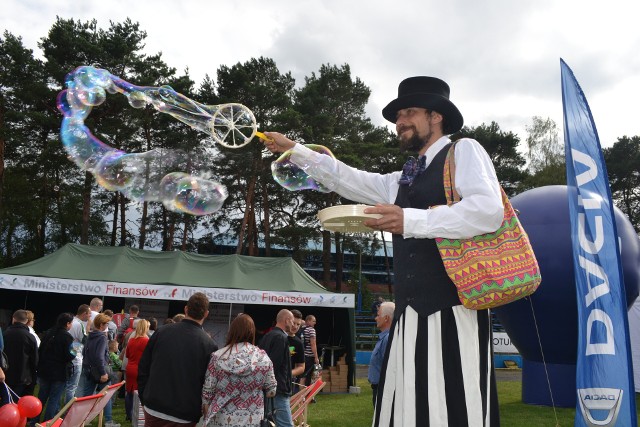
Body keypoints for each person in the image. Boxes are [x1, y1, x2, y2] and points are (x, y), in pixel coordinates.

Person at [263, 76, 503, 426]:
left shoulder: (463, 150)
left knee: (451, 408)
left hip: (452, 310)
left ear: (436, 117)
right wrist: (293, 149)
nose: (399, 121)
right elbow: (347, 178)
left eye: (409, 112)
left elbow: (488, 211)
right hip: (409, 314)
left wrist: (409, 220)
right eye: (397, 115)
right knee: (406, 411)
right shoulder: (404, 177)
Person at [138, 292, 217, 427]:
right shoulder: (209, 345)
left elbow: (143, 367)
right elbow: (208, 384)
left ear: (186, 309)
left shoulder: (162, 332)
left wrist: (145, 397)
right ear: (206, 314)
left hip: (158, 407)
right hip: (181, 412)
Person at [201, 314, 277, 427]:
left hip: (222, 418)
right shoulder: (263, 357)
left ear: (232, 331)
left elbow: (208, 392)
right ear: (252, 332)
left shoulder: (217, 357)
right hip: (253, 419)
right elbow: (271, 391)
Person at [80, 313, 120, 427]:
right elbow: (99, 356)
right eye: (106, 323)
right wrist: (103, 372)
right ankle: (108, 421)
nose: (107, 325)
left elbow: (85, 352)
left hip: (88, 369)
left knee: (87, 397)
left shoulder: (90, 335)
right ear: (102, 325)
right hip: (99, 371)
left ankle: (83, 420)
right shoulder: (102, 337)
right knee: (106, 396)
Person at [258, 309, 295, 427]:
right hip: (278, 391)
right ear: (287, 320)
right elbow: (273, 365)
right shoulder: (280, 338)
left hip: (269, 390)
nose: (293, 325)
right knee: (286, 425)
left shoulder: (267, 336)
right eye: (292, 322)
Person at [37, 313, 76, 422]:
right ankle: (47, 422)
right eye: (71, 323)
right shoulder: (67, 337)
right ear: (68, 323)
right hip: (59, 372)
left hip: (45, 370)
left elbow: (40, 351)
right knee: (54, 399)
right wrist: (75, 351)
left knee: (42, 397)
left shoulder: (48, 333)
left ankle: (33, 420)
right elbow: (69, 355)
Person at [3, 310, 38, 397]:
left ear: (13, 319)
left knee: (5, 399)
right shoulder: (30, 337)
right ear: (27, 321)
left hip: (6, 373)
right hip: (23, 376)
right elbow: (34, 360)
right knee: (17, 400)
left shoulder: (4, 334)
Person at [367, 302, 394, 406]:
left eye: (378, 315)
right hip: (379, 389)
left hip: (383, 390)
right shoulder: (385, 338)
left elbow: (389, 367)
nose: (376, 318)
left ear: (386, 318)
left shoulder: (388, 339)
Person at [125, 319, 150, 420]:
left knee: (129, 392)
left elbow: (127, 355)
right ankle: (136, 415)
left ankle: (128, 415)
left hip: (130, 368)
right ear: (145, 328)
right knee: (139, 393)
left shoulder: (131, 340)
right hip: (140, 369)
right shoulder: (146, 341)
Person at [66, 304, 90, 403]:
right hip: (75, 359)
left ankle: (58, 410)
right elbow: (84, 341)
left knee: (65, 386)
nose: (89, 317)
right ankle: (68, 410)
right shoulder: (79, 324)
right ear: (84, 313)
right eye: (89, 315)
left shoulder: (71, 321)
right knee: (72, 387)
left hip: (67, 356)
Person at [288, 310, 306, 393]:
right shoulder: (277, 336)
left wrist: (289, 373)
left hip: (287, 383)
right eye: (293, 323)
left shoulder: (298, 343)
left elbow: (301, 367)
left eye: (298, 324)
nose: (295, 326)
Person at [302, 315, 319, 387]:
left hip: (302, 355)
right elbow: (313, 344)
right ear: (308, 321)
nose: (315, 323)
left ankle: (299, 394)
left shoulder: (302, 329)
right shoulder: (311, 330)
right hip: (309, 356)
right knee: (308, 376)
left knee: (302, 375)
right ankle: (307, 394)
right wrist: (316, 357)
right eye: (313, 321)